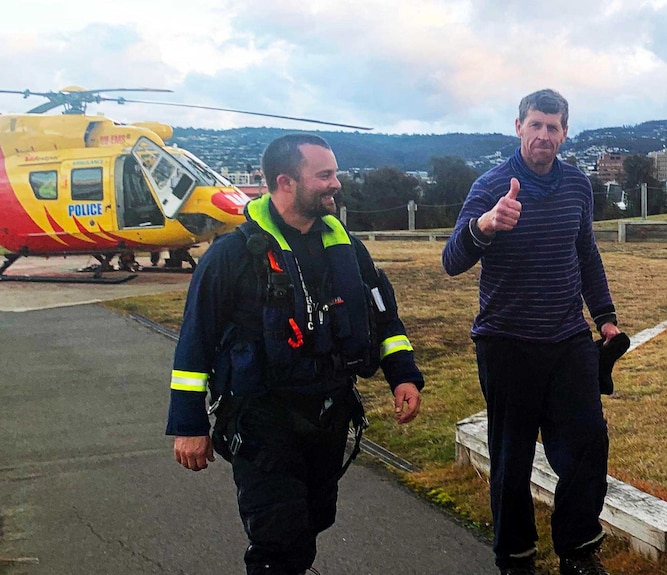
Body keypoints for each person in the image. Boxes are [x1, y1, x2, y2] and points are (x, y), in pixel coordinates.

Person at [167, 133, 424, 575]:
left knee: (313, 521)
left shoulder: (348, 250)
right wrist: (188, 424)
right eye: (324, 175)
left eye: (335, 173)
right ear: (285, 181)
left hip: (329, 414)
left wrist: (403, 374)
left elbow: (382, 318)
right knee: (278, 540)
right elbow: (195, 341)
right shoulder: (231, 257)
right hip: (263, 420)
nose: (336, 183)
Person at [442, 89, 622, 575]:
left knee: (587, 444)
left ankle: (579, 550)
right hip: (507, 343)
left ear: (565, 132)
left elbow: (585, 254)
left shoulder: (578, 186)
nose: (544, 135)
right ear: (518, 126)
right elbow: (452, 260)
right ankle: (516, 557)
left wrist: (604, 316)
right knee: (512, 457)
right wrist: (486, 224)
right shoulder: (492, 185)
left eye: (553, 126)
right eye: (535, 125)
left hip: (567, 339)